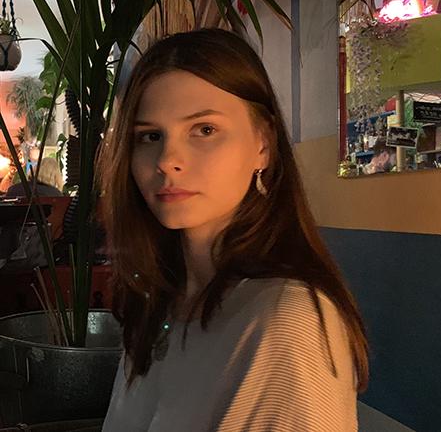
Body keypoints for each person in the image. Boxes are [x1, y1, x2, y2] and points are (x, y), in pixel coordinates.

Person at [98, 28, 369, 432]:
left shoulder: (285, 321)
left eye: (204, 130)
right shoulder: (161, 302)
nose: (167, 159)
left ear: (263, 144)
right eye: (150, 136)